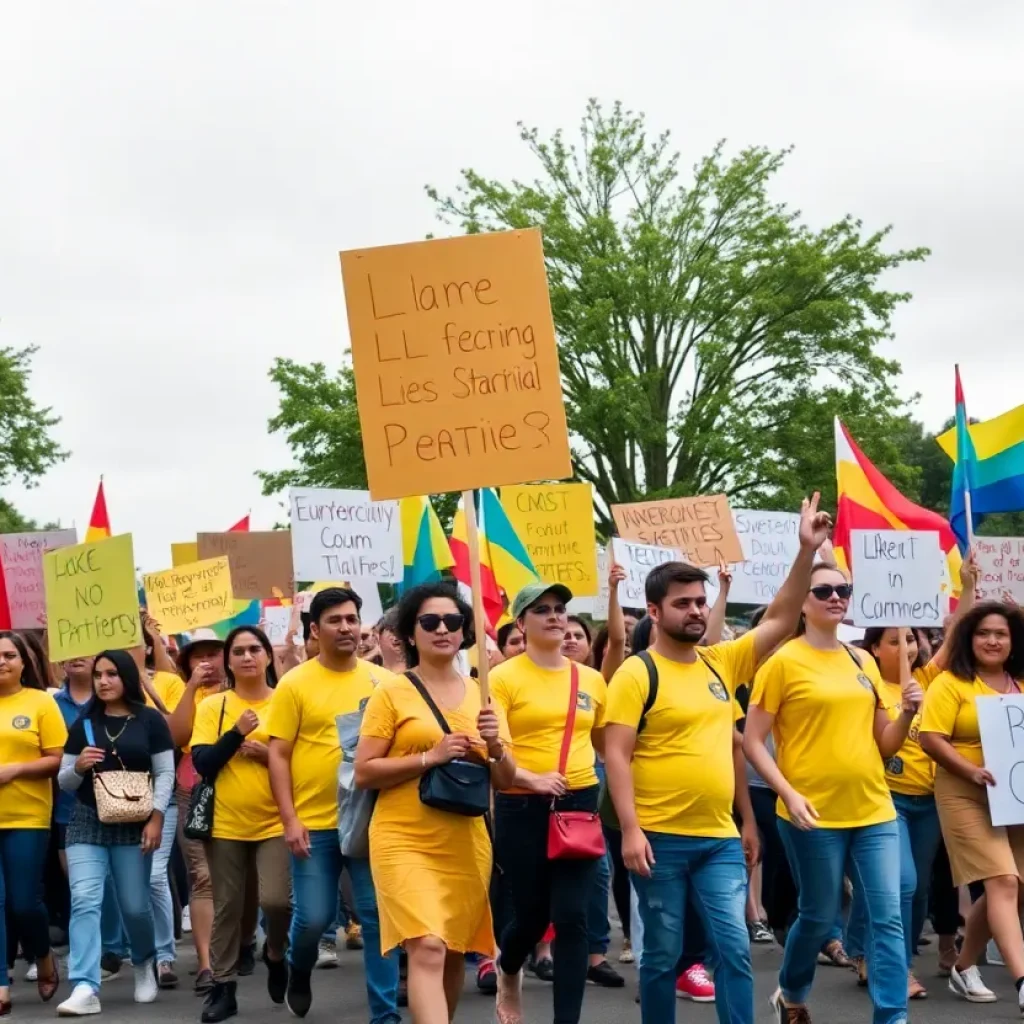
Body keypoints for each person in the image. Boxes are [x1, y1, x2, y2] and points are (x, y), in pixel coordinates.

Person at [605, 495, 828, 1024]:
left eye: (701, 601)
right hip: (658, 841)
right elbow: (615, 753)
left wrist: (806, 554)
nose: (697, 610)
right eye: (683, 603)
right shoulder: (637, 673)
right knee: (660, 958)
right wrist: (631, 831)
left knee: (734, 951)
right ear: (655, 612)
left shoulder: (720, 662)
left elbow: (780, 616)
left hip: (718, 842)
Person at [745, 561, 918, 1024]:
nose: (837, 597)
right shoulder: (782, 662)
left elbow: (884, 744)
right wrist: (788, 792)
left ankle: (892, 1014)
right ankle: (792, 990)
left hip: (874, 808)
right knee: (819, 917)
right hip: (811, 814)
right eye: (824, 591)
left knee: (886, 916)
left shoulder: (861, 659)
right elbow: (752, 740)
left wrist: (905, 715)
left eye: (844, 589)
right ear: (803, 601)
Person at [356, 582, 516, 1024]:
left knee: (450, 952)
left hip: (466, 839)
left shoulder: (485, 696)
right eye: (430, 621)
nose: (442, 629)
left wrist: (495, 746)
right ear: (410, 633)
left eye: (452, 621)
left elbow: (505, 779)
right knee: (425, 943)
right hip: (402, 835)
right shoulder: (392, 692)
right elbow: (364, 770)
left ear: (465, 630)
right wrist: (431, 756)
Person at [267, 587, 400, 1022]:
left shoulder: (385, 682)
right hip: (315, 825)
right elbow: (279, 755)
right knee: (312, 919)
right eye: (334, 620)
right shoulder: (293, 683)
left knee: (378, 920)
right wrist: (290, 820)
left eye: (351, 618)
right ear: (314, 629)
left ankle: (385, 1015)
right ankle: (297, 968)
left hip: (370, 821)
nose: (345, 627)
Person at [846, 563, 977, 1000]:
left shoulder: (924, 680)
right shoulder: (862, 683)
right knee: (898, 883)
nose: (906, 646)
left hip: (928, 802)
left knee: (915, 887)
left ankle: (862, 949)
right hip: (886, 800)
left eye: (911, 639)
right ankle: (895, 968)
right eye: (894, 640)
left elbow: (957, 633)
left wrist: (971, 585)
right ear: (873, 648)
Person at [490, 582, 608, 1024]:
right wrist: (530, 778)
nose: (555, 616)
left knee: (573, 917)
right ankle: (508, 966)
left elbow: (604, 745)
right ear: (520, 623)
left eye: (560, 609)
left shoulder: (591, 680)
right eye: (542, 610)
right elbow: (494, 752)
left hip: (577, 803)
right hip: (521, 804)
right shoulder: (499, 678)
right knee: (533, 915)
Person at [56, 649, 174, 1016]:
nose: (103, 681)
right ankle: (85, 986)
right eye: (98, 675)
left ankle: (143, 961)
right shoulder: (84, 724)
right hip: (87, 822)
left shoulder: (150, 720)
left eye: (111, 674)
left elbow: (166, 773)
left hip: (136, 823)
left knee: (135, 907)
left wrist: (156, 818)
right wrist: (77, 766)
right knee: (85, 899)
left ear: (126, 676)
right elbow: (64, 782)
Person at [920, 600, 1024, 1008]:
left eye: (1001, 633)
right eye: (983, 633)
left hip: (1015, 795)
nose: (992, 640)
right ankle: (1021, 982)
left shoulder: (1020, 681)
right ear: (969, 638)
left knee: (1017, 885)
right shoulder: (950, 683)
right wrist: (971, 771)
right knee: (1001, 881)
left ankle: (963, 968)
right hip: (964, 791)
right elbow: (930, 738)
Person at [191, 626, 290, 1023]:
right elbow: (202, 764)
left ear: (268, 656)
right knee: (228, 906)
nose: (248, 657)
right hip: (226, 823)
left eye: (255, 649)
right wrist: (236, 733)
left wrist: (269, 756)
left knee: (277, 901)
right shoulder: (213, 707)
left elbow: (302, 762)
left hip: (275, 822)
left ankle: (276, 953)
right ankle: (223, 986)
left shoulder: (287, 700)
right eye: (239, 651)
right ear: (228, 661)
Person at [0, 631, 66, 1016]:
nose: (2, 661)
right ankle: (2, 983)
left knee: (25, 903)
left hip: (27, 815)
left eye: (10, 655)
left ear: (24, 661)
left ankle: (42, 955)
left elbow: (57, 758)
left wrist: (16, 770)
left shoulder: (41, 702)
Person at [166, 629, 230, 993]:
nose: (207, 661)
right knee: (202, 875)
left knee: (241, 877)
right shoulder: (179, 690)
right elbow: (177, 736)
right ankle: (206, 962)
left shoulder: (246, 687)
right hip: (193, 791)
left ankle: (241, 944)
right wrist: (191, 688)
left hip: (241, 793)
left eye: (214, 653)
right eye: (198, 655)